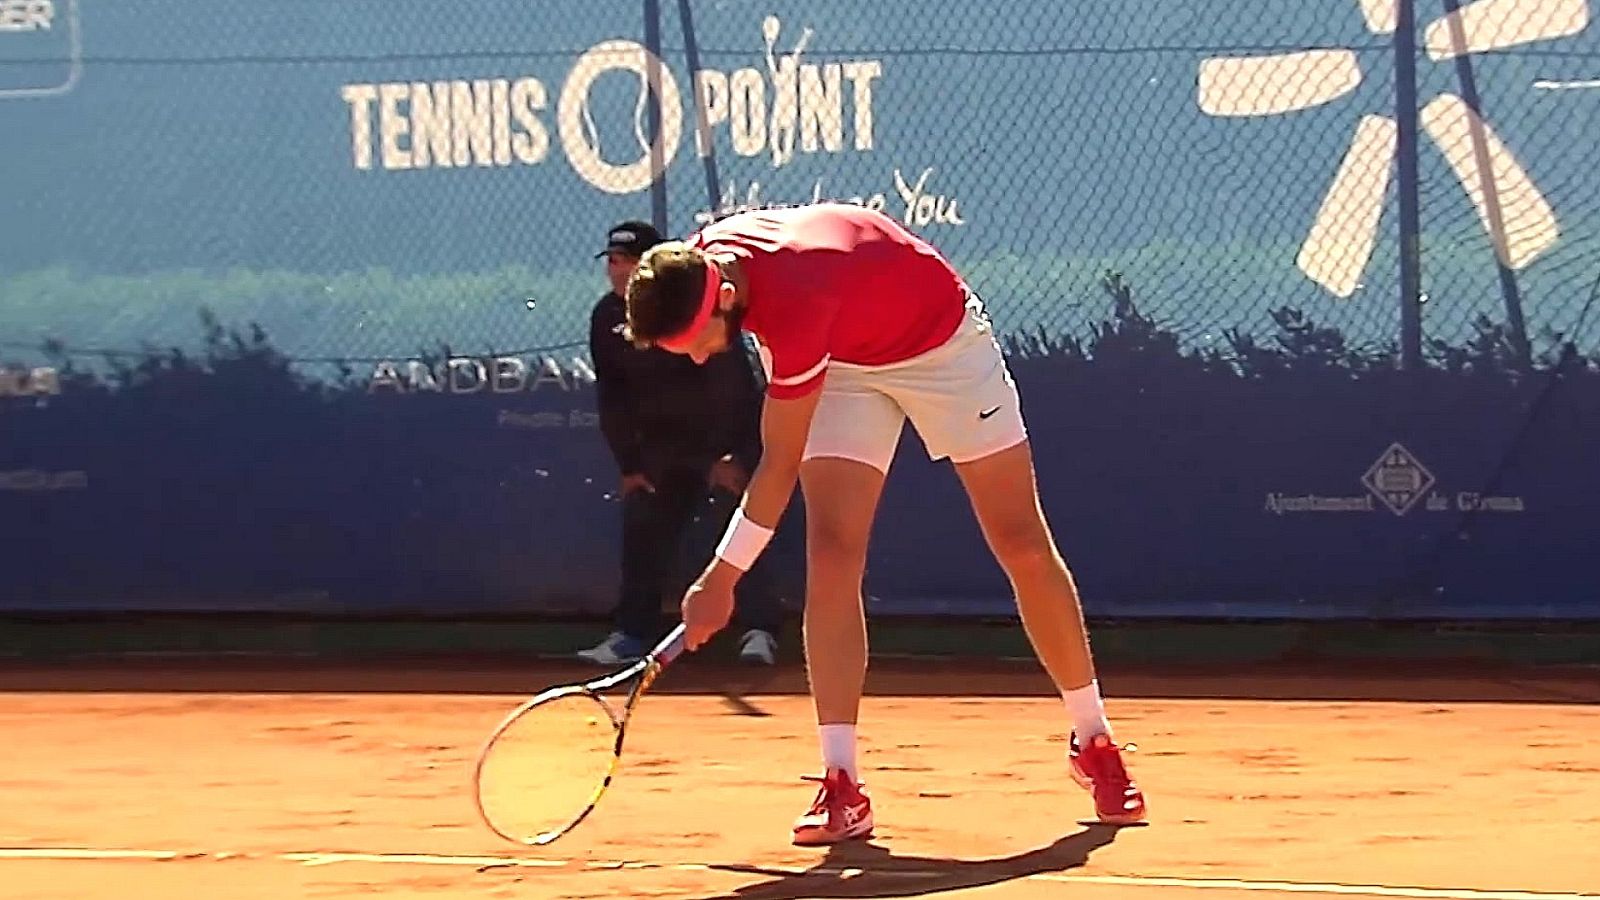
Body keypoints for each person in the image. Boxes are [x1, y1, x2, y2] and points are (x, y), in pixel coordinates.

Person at [621, 203, 1146, 845]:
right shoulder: (705, 262)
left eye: (700, 342)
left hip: (941, 346)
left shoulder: (798, 298)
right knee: (833, 554)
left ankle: (1093, 739)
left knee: (1021, 542)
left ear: (725, 295)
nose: (701, 360)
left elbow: (778, 465)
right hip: (844, 364)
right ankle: (841, 781)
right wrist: (722, 580)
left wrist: (719, 580)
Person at [578, 220, 786, 667]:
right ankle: (632, 635)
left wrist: (729, 458)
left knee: (734, 526)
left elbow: (734, 390)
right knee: (641, 523)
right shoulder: (605, 317)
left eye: (629, 263)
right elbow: (612, 395)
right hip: (661, 453)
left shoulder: (697, 309)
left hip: (719, 445)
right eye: (613, 262)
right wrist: (629, 464)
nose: (618, 272)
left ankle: (759, 631)